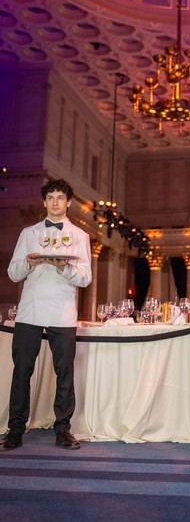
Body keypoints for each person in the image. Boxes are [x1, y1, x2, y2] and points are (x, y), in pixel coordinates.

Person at [0, 179, 92, 451]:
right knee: (22, 371)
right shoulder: (29, 233)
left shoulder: (80, 236)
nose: (55, 202)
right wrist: (28, 263)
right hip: (30, 310)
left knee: (64, 372)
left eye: (60, 197)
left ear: (68, 202)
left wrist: (64, 268)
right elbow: (13, 273)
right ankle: (15, 430)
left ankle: (63, 429)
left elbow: (85, 278)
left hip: (62, 312)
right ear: (44, 202)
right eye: (50, 197)